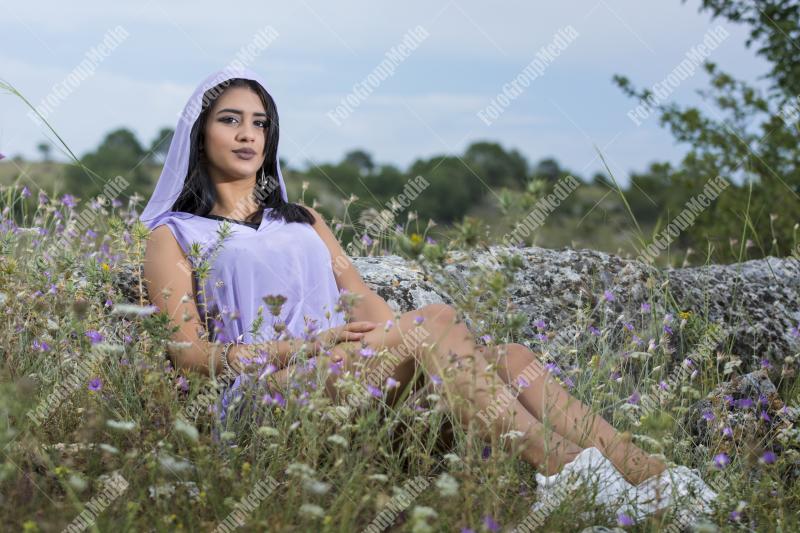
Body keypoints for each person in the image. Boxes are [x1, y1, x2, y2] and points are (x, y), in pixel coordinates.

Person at [140, 67, 711, 518]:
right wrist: (306, 347)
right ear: (200, 132)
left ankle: (658, 480)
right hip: (268, 400)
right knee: (430, 323)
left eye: (260, 123)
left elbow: (363, 301)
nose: (247, 135)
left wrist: (428, 351)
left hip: (349, 379)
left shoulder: (304, 219)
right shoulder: (174, 234)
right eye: (230, 120)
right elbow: (188, 355)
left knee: (511, 359)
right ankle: (573, 476)